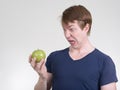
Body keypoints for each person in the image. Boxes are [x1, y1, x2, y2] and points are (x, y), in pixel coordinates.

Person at [29, 5, 118, 90]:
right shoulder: (54, 57)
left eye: (71, 29)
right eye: (64, 30)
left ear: (86, 28)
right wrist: (42, 78)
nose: (67, 35)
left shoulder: (104, 62)